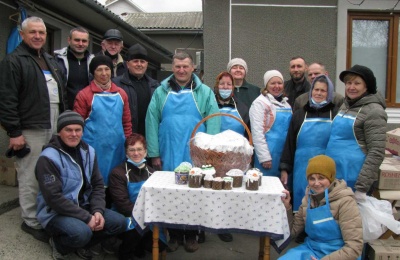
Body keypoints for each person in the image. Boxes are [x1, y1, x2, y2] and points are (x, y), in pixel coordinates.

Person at [0, 16, 67, 243]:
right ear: (22, 35)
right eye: (32, 32)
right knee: (30, 175)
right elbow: (6, 100)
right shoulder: (13, 61)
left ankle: (45, 212)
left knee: (49, 173)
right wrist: (14, 132)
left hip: (53, 126)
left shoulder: (49, 60)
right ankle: (30, 220)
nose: (37, 36)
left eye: (41, 33)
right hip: (30, 129)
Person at [146, 52, 220, 253]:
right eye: (177, 66)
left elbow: (213, 120)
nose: (181, 70)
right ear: (172, 68)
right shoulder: (161, 92)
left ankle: (191, 234)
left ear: (193, 68)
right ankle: (175, 234)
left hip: (195, 151)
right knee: (171, 191)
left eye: (185, 66)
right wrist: (154, 153)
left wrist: (209, 152)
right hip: (168, 148)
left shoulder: (204, 92)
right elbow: (151, 121)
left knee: (195, 191)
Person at [35, 111, 127, 260]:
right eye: (68, 130)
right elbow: (53, 198)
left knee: (119, 222)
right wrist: (86, 218)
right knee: (81, 233)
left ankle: (82, 244)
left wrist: (97, 211)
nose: (74, 134)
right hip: (55, 212)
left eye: (78, 130)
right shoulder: (48, 157)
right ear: (59, 132)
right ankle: (59, 244)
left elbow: (98, 185)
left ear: (83, 131)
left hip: (84, 205)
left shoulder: (89, 151)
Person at [279, 155, 363, 259]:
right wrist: (287, 207)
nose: (316, 183)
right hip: (312, 249)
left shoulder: (346, 201)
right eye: (312, 178)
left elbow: (355, 247)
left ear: (331, 178)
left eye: (321, 178)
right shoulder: (307, 199)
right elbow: (292, 232)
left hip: (340, 254)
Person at [325, 65, 387, 200]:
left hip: (354, 178)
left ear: (367, 86)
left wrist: (362, 187)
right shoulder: (346, 105)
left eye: (357, 83)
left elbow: (376, 152)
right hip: (335, 174)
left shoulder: (374, 111)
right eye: (348, 83)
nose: (351, 87)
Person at [280, 75, 340, 211]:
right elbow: (289, 144)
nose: (318, 93)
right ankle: (300, 230)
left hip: (326, 167)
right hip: (301, 167)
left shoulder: (336, 114)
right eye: (316, 89)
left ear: (329, 93)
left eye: (323, 91)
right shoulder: (299, 115)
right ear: (311, 91)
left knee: (324, 203)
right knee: (302, 203)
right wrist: (285, 168)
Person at [74, 55, 132, 189]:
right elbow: (77, 125)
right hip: (93, 149)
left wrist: (128, 143)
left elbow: (127, 123)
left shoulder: (121, 94)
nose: (104, 73)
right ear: (93, 72)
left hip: (117, 148)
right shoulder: (84, 95)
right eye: (99, 70)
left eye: (107, 69)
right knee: (95, 183)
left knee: (116, 182)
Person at [109, 133, 166, 259]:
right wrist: (145, 216)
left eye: (139, 149)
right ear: (126, 153)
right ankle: (125, 252)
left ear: (145, 152)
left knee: (159, 245)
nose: (136, 153)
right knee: (135, 231)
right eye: (132, 150)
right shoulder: (118, 173)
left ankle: (138, 246)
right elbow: (122, 204)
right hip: (127, 216)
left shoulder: (153, 173)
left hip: (148, 217)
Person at [249, 70, 292, 177]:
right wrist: (264, 157)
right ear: (266, 85)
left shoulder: (286, 104)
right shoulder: (260, 103)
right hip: (269, 155)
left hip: (284, 155)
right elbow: (257, 133)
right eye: (272, 83)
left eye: (279, 83)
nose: (276, 86)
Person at [113, 43, 159, 136]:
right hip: (125, 136)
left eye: (142, 61)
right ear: (127, 64)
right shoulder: (116, 85)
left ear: (147, 64)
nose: (139, 64)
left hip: (149, 137)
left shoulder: (155, 86)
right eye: (135, 61)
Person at [55, 27, 94, 109]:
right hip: (64, 110)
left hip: (87, 110)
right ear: (69, 40)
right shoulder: (57, 60)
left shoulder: (93, 62)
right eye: (77, 40)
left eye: (84, 41)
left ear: (88, 42)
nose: (80, 44)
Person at [214, 71, 249, 136]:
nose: (225, 87)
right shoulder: (210, 105)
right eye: (222, 84)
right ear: (217, 86)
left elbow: (248, 132)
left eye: (229, 84)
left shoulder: (242, 108)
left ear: (233, 87)